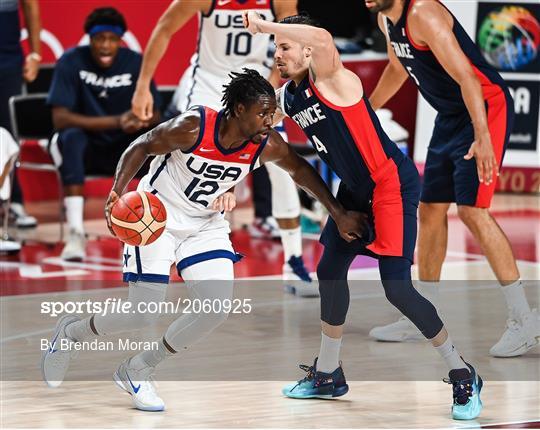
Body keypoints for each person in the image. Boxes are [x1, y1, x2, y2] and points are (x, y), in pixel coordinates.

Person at [41, 69, 366, 411]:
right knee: (143, 313)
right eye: (262, 113)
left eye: (272, 113)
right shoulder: (192, 127)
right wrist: (115, 193)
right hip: (156, 216)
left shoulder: (266, 144)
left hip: (205, 224)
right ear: (239, 110)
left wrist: (337, 212)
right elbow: (140, 146)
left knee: (215, 307)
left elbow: (300, 170)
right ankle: (71, 333)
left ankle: (138, 369)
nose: (270, 120)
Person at [244, 12, 484, 420]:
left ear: (305, 49)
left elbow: (320, 34)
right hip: (354, 191)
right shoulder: (289, 95)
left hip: (390, 185)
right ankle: (327, 373)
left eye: (285, 47)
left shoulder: (336, 80)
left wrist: (267, 26)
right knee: (330, 271)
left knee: (398, 289)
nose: (277, 54)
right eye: (276, 48)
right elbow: (253, 124)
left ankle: (463, 373)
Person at [365, 0, 539, 358]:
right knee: (429, 210)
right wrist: (364, 114)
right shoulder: (387, 19)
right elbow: (398, 69)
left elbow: (467, 77)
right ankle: (425, 315)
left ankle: (524, 320)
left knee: (474, 210)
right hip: (450, 114)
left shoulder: (422, 14)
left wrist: (483, 135)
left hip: (483, 106)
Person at [130, 0, 318, 296]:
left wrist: (270, 88)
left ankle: (293, 262)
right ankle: (167, 242)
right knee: (190, 155)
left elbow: (291, 36)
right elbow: (165, 27)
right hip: (209, 85)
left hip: (257, 88)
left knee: (281, 170)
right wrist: (142, 86)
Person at [47, 7, 161, 261]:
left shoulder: (135, 62)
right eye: (100, 39)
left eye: (112, 39)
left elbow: (154, 114)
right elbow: (60, 118)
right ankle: (76, 233)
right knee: (71, 138)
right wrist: (117, 121)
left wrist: (140, 119)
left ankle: (150, 229)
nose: (106, 46)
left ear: (120, 40)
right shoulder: (70, 61)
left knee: (155, 140)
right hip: (87, 148)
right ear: (90, 39)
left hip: (124, 147)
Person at [0, 0, 41, 228]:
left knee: (7, 131)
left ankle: (12, 201)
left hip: (6, 58)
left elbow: (30, 4)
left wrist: (35, 53)